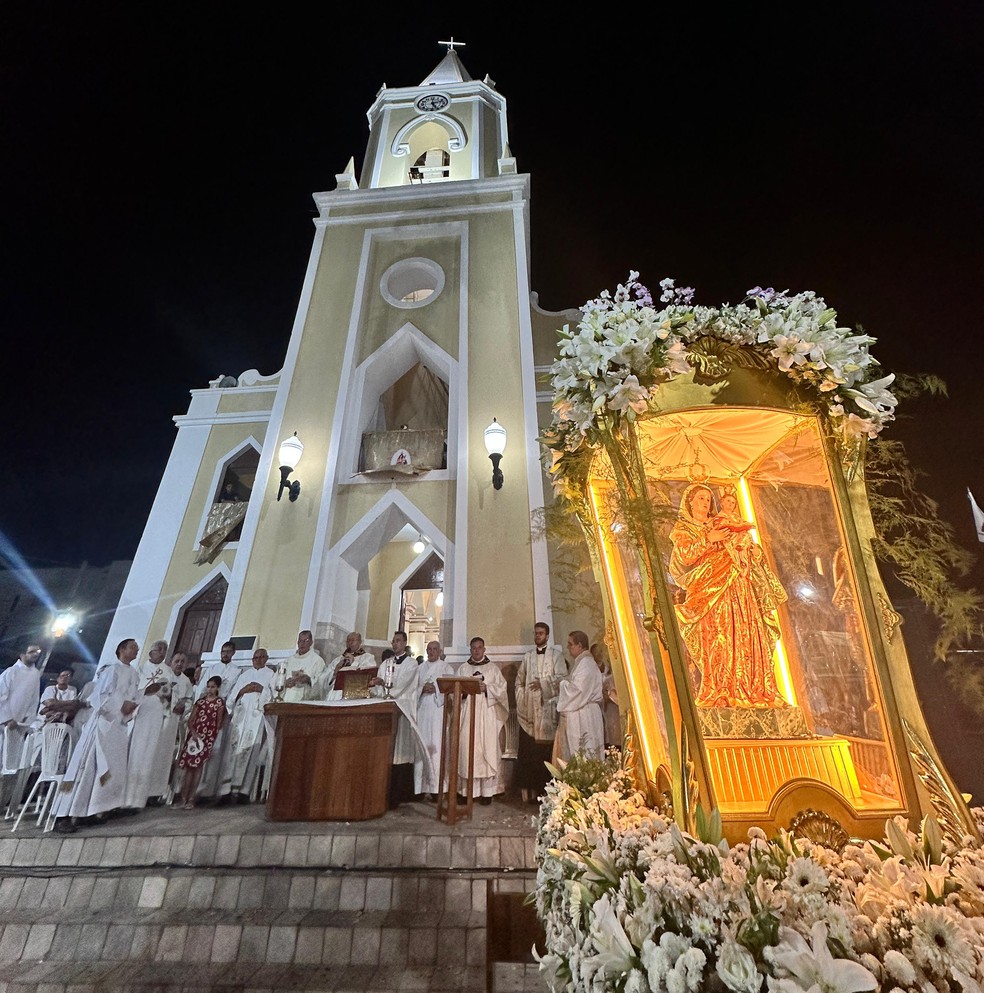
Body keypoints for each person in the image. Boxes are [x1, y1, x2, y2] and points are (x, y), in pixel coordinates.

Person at [669, 483, 787, 708]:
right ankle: (722, 688)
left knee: (746, 634)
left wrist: (754, 551)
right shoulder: (683, 529)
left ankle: (753, 687)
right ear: (690, 502)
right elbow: (685, 556)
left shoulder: (721, 522)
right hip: (711, 593)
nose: (705, 502)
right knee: (720, 639)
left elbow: (744, 545)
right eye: (701, 498)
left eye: (708, 499)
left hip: (737, 586)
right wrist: (708, 539)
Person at [51, 639, 140, 833]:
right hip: (101, 725)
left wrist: (130, 707)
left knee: (107, 769)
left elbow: (132, 698)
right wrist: (120, 705)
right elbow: (100, 696)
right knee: (84, 767)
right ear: (121, 649)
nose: (137, 650)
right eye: (133, 647)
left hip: (117, 727)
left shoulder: (134, 673)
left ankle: (90, 811)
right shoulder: (111, 670)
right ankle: (63, 814)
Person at [514, 622, 567, 804]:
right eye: (536, 633)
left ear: (547, 635)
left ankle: (548, 791)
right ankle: (529, 791)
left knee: (546, 753)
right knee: (530, 753)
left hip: (548, 710)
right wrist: (524, 699)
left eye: (541, 633)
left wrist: (543, 684)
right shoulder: (528, 657)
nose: (537, 636)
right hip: (530, 712)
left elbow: (562, 679)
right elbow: (519, 682)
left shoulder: (557, 656)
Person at [369, 631, 420, 807]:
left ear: (405, 643)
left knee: (402, 752)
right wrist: (378, 686)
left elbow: (404, 684)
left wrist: (385, 686)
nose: (395, 644)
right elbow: (379, 684)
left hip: (403, 710)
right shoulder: (386, 663)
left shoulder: (412, 664)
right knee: (389, 752)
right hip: (387, 710)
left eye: (398, 641)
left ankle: (401, 793)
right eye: (393, 641)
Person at [220, 648, 275, 803]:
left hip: (256, 718)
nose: (257, 660)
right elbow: (231, 698)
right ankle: (226, 790)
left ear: (266, 658)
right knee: (233, 750)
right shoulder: (244, 675)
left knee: (250, 752)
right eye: (255, 657)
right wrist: (243, 690)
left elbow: (273, 695)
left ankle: (244, 791)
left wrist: (260, 689)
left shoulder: (271, 675)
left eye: (261, 657)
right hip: (241, 716)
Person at [457, 636, 508, 805]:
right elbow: (455, 692)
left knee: (487, 749)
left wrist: (488, 688)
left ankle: (487, 792)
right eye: (473, 648)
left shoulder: (493, 669)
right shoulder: (463, 669)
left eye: (479, 648)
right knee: (467, 749)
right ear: (470, 650)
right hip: (468, 714)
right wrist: (464, 691)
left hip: (487, 714)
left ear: (484, 649)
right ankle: (467, 791)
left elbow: (502, 690)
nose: (477, 651)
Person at [122, 638, 170, 811]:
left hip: (156, 715)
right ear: (151, 652)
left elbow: (170, 694)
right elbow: (132, 692)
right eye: (159, 649)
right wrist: (145, 693)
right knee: (132, 753)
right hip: (138, 713)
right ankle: (123, 798)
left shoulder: (168, 671)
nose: (162, 652)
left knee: (148, 755)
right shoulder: (139, 670)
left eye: (164, 650)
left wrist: (166, 696)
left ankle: (139, 799)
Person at [191, 640, 238, 801]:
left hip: (221, 712)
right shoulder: (212, 669)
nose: (225, 654)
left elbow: (233, 693)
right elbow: (201, 691)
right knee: (202, 749)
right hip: (206, 714)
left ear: (233, 653)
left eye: (228, 651)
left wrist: (226, 709)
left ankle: (212, 790)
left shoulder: (236, 671)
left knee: (217, 751)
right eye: (223, 651)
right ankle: (197, 789)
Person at [0, 644, 44, 815]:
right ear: (22, 653)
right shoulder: (11, 672)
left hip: (19, 727)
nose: (35, 655)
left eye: (37, 653)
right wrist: (7, 718)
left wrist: (28, 720)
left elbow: (34, 699)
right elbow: (2, 696)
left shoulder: (35, 674)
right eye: (31, 652)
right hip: (4, 725)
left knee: (11, 765)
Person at [148, 651, 194, 804]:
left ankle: (157, 793)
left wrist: (183, 706)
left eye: (182, 661)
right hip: (158, 719)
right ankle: (145, 791)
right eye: (177, 660)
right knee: (152, 754)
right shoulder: (163, 675)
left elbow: (189, 701)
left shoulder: (186, 681)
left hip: (173, 722)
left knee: (166, 757)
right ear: (171, 661)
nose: (179, 663)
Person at [177, 676, 227, 810]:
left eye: (213, 687)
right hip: (194, 737)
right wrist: (193, 733)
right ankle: (183, 798)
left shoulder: (219, 703)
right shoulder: (200, 702)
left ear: (218, 688)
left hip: (207, 739)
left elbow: (219, 724)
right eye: (208, 686)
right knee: (188, 768)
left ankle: (191, 799)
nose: (210, 689)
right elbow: (191, 720)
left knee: (198, 768)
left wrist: (211, 740)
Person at [554, 631, 604, 762]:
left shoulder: (586, 663)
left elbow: (577, 690)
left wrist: (562, 683)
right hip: (582, 712)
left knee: (586, 751)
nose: (568, 648)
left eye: (570, 644)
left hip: (585, 715)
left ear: (580, 645)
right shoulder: (582, 662)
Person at [414, 640, 455, 800]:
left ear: (440, 651)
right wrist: (421, 689)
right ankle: (420, 787)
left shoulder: (446, 668)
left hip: (439, 713)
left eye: (435, 649)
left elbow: (451, 689)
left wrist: (437, 689)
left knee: (438, 749)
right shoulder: (419, 669)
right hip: (422, 711)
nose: (431, 652)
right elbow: (412, 688)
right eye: (429, 649)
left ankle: (438, 789)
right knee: (421, 748)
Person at [279, 630, 327, 702]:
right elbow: (277, 680)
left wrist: (308, 680)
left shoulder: (317, 661)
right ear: (297, 643)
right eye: (300, 641)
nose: (302, 644)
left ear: (311, 642)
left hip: (304, 701)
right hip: (286, 699)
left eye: (306, 641)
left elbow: (322, 683)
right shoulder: (288, 661)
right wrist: (284, 683)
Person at [592, 642, 621, 750]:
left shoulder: (612, 673)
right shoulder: (592, 670)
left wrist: (609, 694)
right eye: (597, 652)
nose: (599, 655)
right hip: (603, 710)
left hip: (615, 712)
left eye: (601, 652)